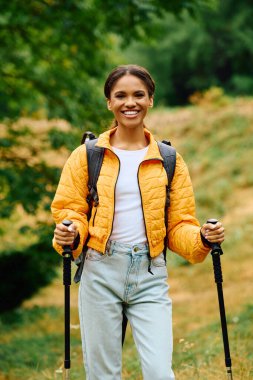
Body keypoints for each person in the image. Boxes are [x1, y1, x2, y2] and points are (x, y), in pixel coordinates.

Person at [51, 64, 225, 380]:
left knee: (160, 372)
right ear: (109, 102)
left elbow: (178, 224)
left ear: (150, 100)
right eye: (121, 95)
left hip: (149, 273)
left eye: (138, 95)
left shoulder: (169, 159)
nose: (130, 102)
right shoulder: (87, 155)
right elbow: (70, 210)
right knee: (104, 375)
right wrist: (71, 231)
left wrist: (202, 236)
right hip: (100, 269)